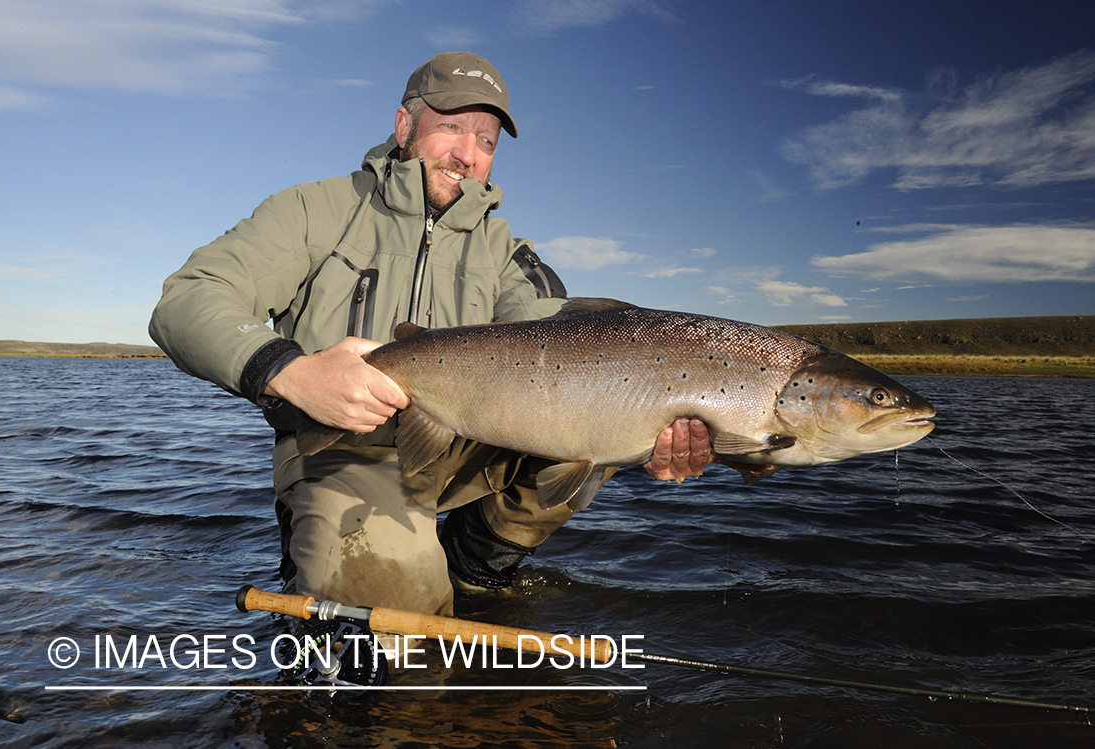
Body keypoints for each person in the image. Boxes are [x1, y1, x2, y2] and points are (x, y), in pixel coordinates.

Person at [150, 52, 711, 620]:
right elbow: (188, 297)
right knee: (403, 633)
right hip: (343, 448)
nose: (468, 155)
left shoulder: (506, 250)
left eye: (487, 142)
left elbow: (561, 333)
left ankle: (472, 568)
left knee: (611, 412)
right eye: (451, 128)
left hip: (460, 442)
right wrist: (290, 371)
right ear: (403, 126)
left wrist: (655, 435)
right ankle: (348, 554)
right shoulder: (313, 210)